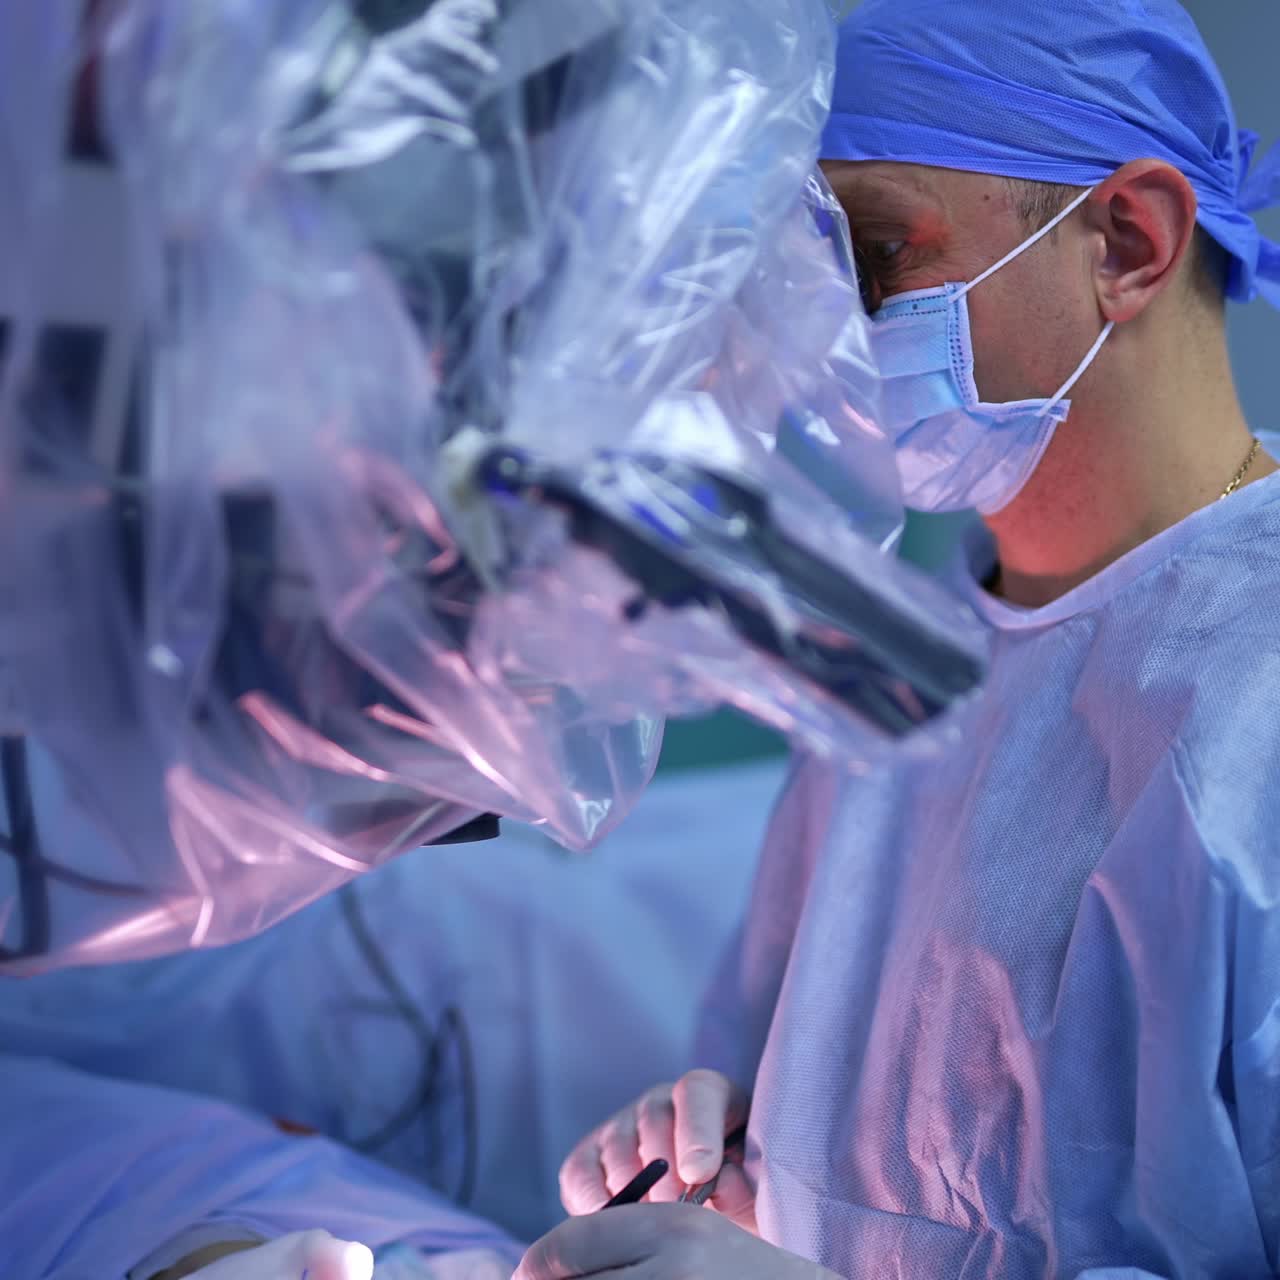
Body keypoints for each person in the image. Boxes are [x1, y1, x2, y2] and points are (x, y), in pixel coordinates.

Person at [516, 1, 1280, 1277]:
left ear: (1128, 242)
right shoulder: (895, 670)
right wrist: (754, 1167)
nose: (813, 335)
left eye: (869, 254)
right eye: (790, 274)